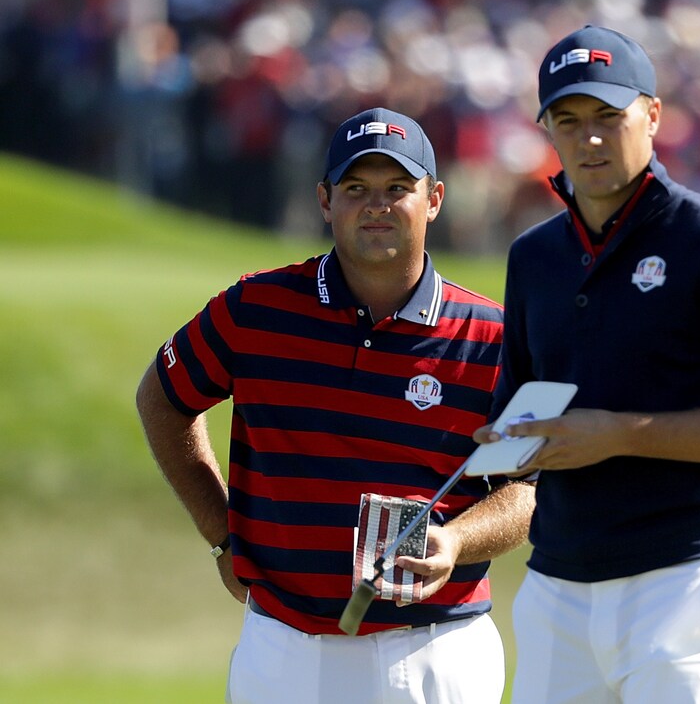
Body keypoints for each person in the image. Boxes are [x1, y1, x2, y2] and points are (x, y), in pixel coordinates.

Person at [136, 107, 534, 704]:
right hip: (283, 646)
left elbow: (528, 487)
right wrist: (222, 534)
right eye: (356, 188)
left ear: (434, 199)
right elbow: (162, 400)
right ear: (325, 200)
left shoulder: (492, 335)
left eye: (398, 188)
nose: (377, 205)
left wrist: (455, 541)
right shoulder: (256, 308)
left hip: (436, 649)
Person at [473, 26, 700, 703]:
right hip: (557, 585)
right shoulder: (534, 256)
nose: (589, 139)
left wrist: (622, 433)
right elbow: (517, 396)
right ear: (547, 130)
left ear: (652, 115)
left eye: (608, 117)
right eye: (567, 121)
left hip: (684, 576)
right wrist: (506, 445)